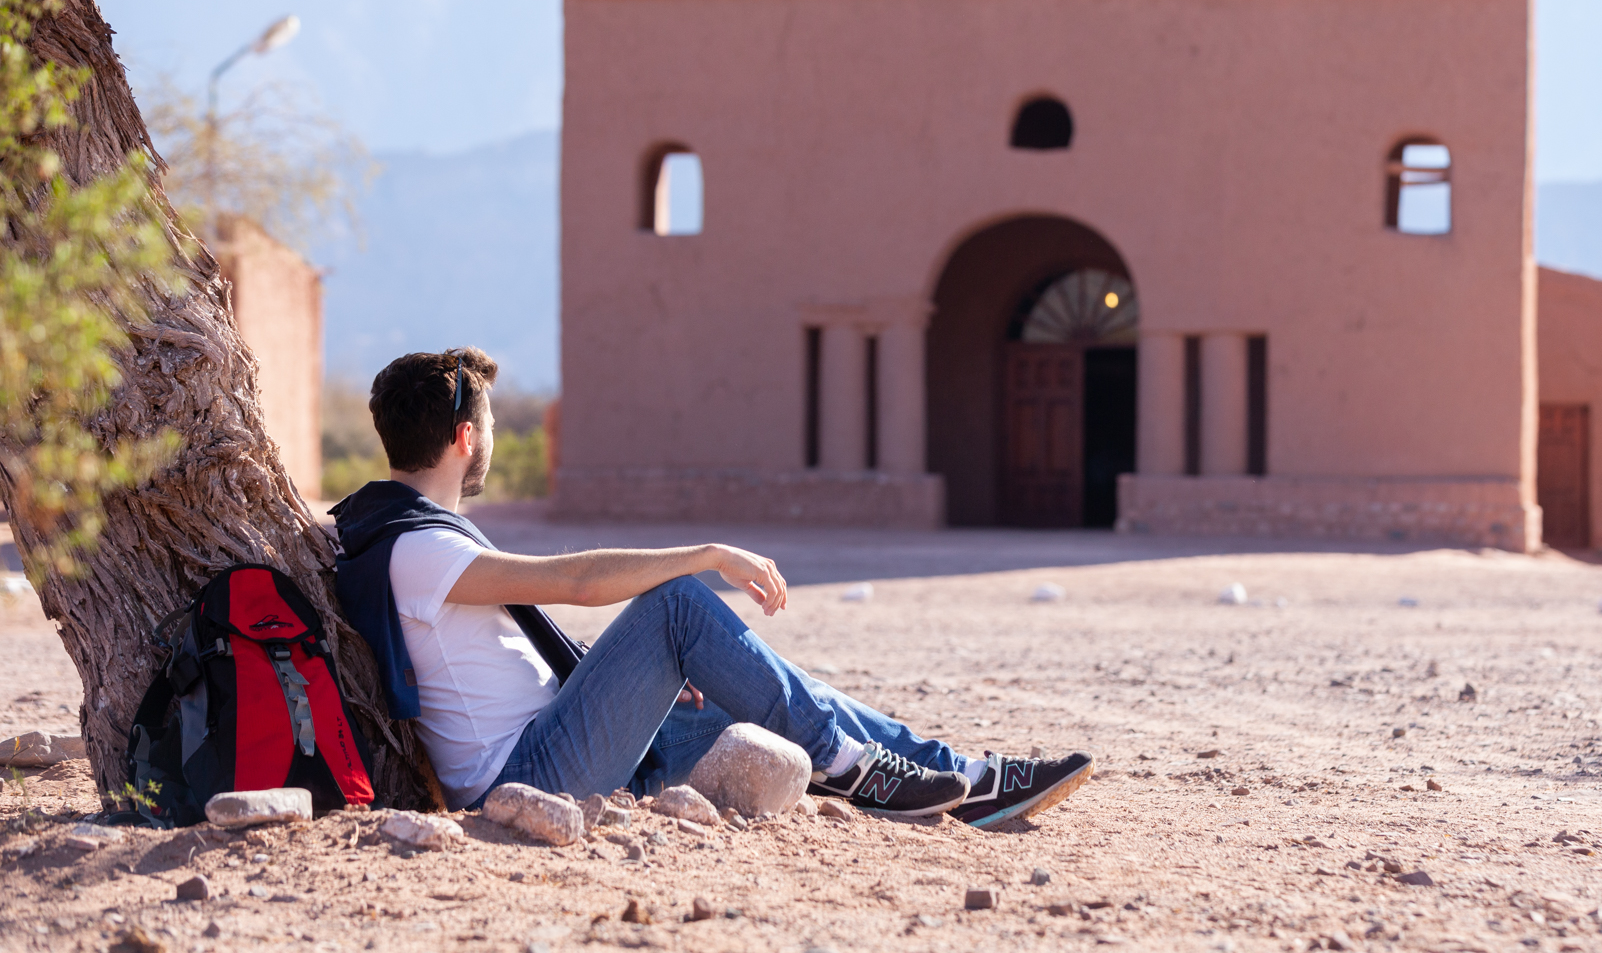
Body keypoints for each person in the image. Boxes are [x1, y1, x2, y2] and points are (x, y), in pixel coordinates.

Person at [330, 347, 1092, 828]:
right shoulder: (417, 548)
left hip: (570, 739)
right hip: (530, 775)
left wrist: (636, 683)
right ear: (467, 438)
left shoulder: (411, 535)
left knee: (776, 688)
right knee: (677, 601)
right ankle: (847, 765)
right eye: (487, 425)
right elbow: (573, 580)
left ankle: (970, 778)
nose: (488, 438)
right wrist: (706, 552)